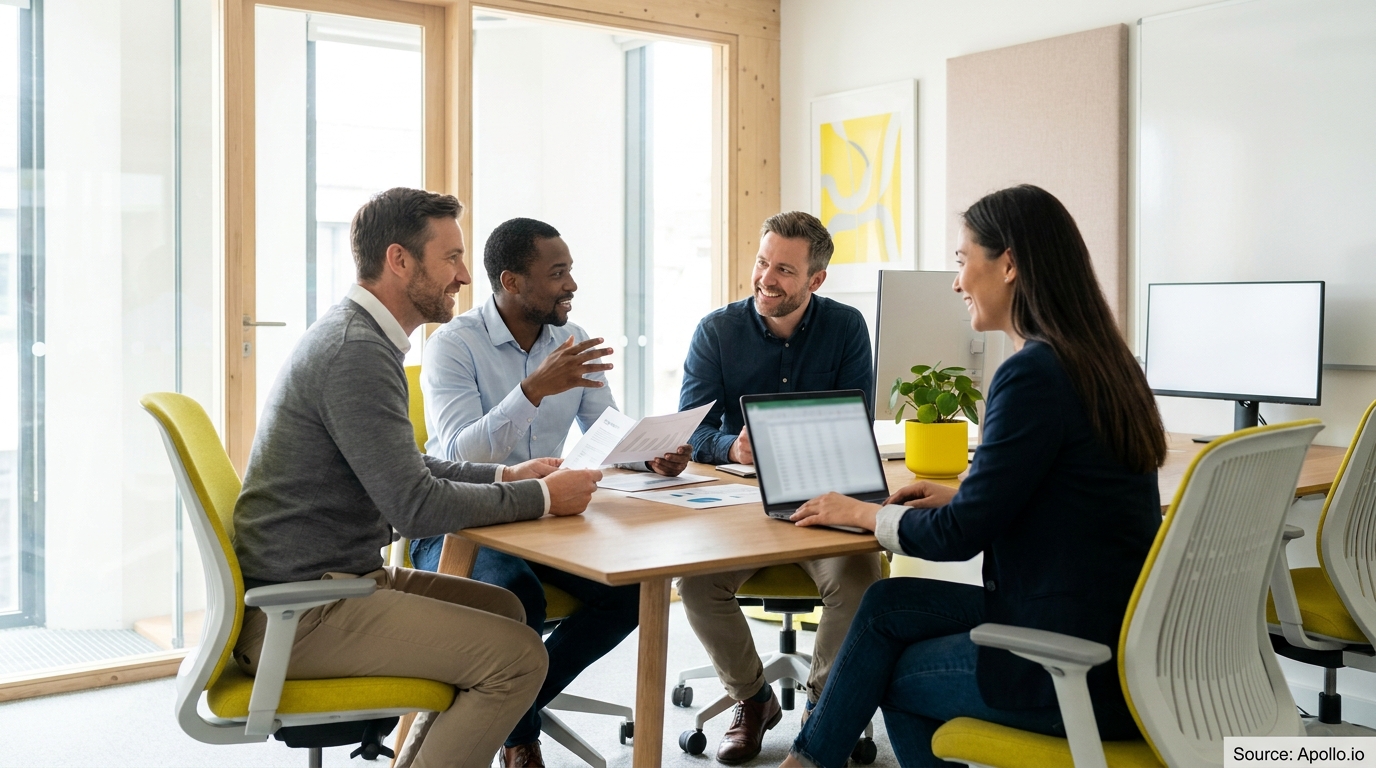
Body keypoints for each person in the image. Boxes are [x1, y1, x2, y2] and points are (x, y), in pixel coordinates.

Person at [779, 185, 1166, 767]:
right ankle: (804, 763)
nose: (956, 282)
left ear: (1007, 264)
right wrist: (963, 493)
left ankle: (804, 763)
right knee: (885, 605)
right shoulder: (1105, 361)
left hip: (1069, 668)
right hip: (1122, 641)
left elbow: (958, 537)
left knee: (887, 673)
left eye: (963, 261)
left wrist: (860, 512)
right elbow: (1068, 492)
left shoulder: (1032, 372)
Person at [230, 188, 603, 768]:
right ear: (400, 260)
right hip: (303, 610)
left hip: (338, 581)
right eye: (450, 258)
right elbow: (415, 507)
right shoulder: (355, 351)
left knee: (504, 613)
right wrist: (541, 497)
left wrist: (504, 472)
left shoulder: (360, 336)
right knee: (519, 657)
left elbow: (406, 465)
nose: (462, 275)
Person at [410, 216, 690, 767]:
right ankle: (518, 737)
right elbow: (462, 456)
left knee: (633, 588)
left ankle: (513, 704)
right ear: (512, 281)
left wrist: (649, 452)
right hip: (462, 522)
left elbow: (604, 430)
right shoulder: (453, 346)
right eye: (557, 272)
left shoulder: (571, 340)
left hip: (549, 519)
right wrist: (532, 391)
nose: (571, 285)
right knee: (517, 597)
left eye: (570, 270)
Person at [676, 211, 883, 764]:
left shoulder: (846, 327)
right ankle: (752, 698)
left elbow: (854, 420)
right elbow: (691, 428)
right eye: (763, 262)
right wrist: (730, 448)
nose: (767, 277)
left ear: (815, 280)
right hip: (740, 506)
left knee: (861, 580)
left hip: (826, 499)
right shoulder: (716, 331)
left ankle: (824, 708)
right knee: (695, 585)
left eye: (785, 269)